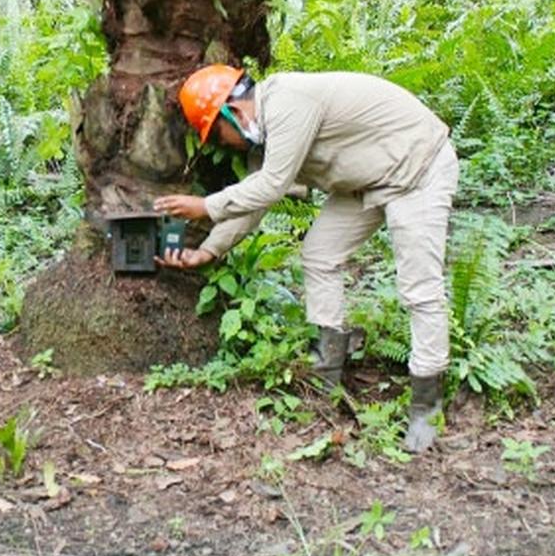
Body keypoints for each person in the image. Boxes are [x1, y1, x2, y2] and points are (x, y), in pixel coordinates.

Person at [154, 65, 459, 453]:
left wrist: (205, 206)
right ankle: (326, 372)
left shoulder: (287, 102)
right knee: (319, 254)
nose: (224, 144)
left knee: (419, 287)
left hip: (418, 168)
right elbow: (256, 197)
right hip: (367, 180)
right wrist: (210, 249)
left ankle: (426, 406)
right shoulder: (266, 134)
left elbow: (271, 185)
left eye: (216, 135)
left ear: (233, 111)